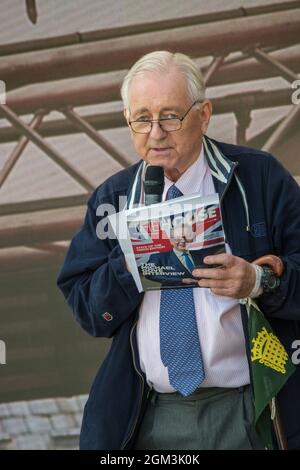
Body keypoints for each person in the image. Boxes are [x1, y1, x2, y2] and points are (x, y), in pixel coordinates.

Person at [57, 50, 300, 450]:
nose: (156, 132)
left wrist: (259, 281)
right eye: (142, 118)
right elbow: (88, 310)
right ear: (127, 120)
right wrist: (132, 261)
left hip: (247, 406)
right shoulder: (113, 198)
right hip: (149, 415)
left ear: (204, 114)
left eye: (171, 115)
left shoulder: (259, 177)